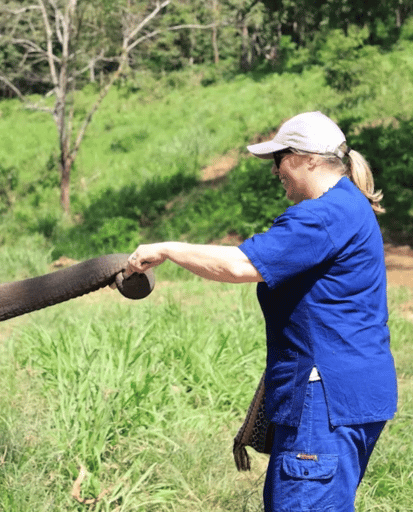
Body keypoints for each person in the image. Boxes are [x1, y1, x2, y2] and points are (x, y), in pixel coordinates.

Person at [125, 111, 397, 511]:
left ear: (308, 158)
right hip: (351, 395)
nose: (275, 172)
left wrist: (167, 249)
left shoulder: (323, 215)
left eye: (278, 159)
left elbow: (240, 265)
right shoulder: (349, 206)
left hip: (326, 400)